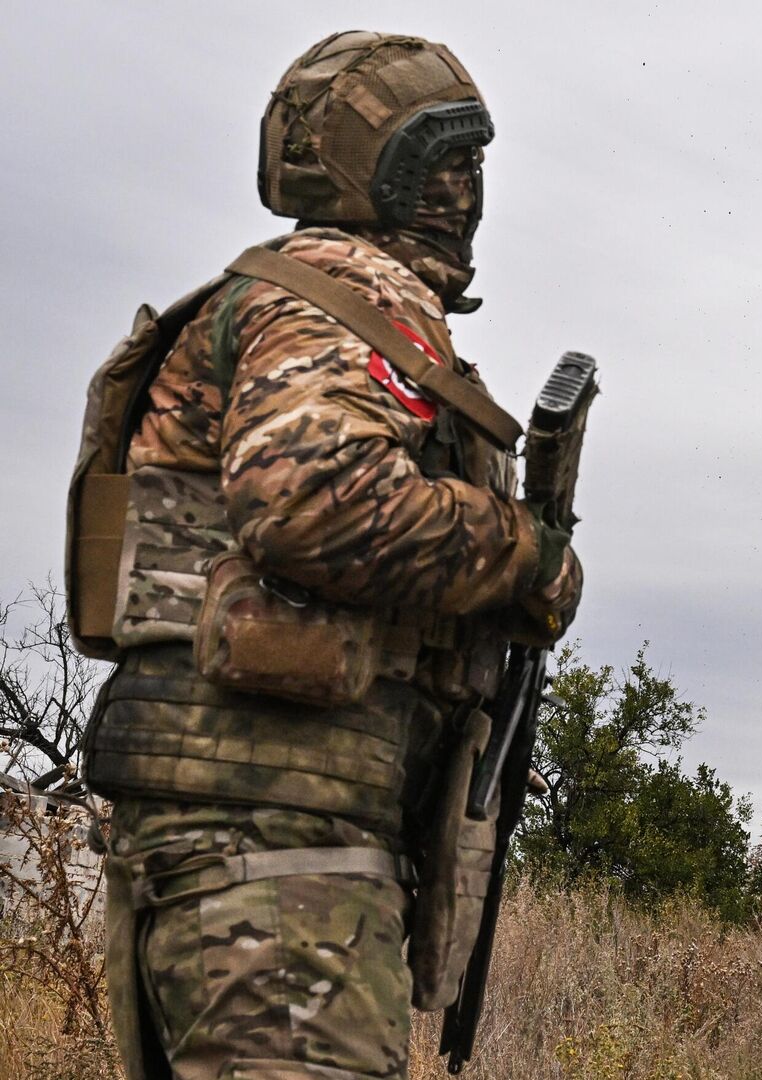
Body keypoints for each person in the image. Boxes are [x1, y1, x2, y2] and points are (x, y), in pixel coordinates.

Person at [80, 31, 582, 1080]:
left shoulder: (293, 299)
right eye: (449, 162)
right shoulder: (344, 295)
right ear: (389, 174)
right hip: (274, 855)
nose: (468, 193)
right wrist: (530, 557)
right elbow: (313, 502)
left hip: (243, 840)